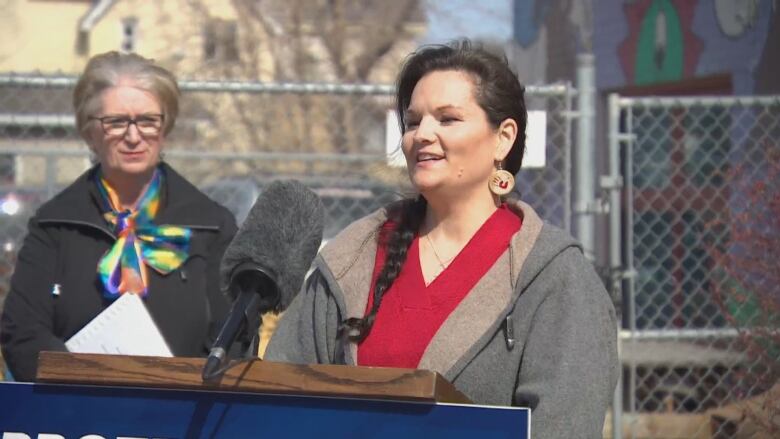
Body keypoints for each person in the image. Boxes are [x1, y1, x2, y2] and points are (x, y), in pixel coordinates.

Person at [264, 40, 618, 438]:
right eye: (413, 122)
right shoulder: (355, 256)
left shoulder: (553, 275)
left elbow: (564, 425)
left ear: (503, 137)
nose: (422, 135)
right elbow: (281, 395)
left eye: (447, 119)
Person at [0, 52, 238, 382]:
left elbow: (233, 340)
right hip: (78, 416)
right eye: (115, 122)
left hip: (182, 416)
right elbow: (23, 333)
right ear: (89, 132)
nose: (133, 135)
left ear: (164, 127)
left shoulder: (211, 226)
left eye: (147, 120)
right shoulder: (55, 225)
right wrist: (87, 385)